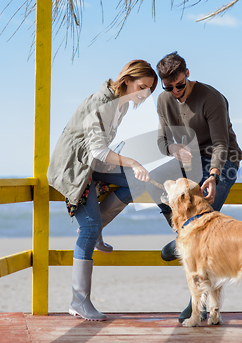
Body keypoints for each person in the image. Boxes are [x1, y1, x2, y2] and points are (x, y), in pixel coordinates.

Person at [47, 60, 158, 321]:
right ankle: (79, 302)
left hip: (94, 166)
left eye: (149, 91)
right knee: (87, 229)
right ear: (127, 79)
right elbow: (97, 149)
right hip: (75, 170)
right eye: (142, 87)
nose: (144, 94)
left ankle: (97, 230)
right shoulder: (102, 101)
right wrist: (132, 161)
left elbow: (101, 149)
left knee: (138, 180)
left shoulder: (121, 104)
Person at [146, 52, 242, 322]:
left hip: (222, 161)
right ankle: (183, 237)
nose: (175, 92)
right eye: (168, 87)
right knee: (154, 184)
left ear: (187, 73)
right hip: (188, 160)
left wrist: (213, 175)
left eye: (179, 85)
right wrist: (171, 147)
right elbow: (161, 140)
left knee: (205, 222)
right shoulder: (165, 100)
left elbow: (222, 145)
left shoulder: (211, 98)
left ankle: (196, 303)